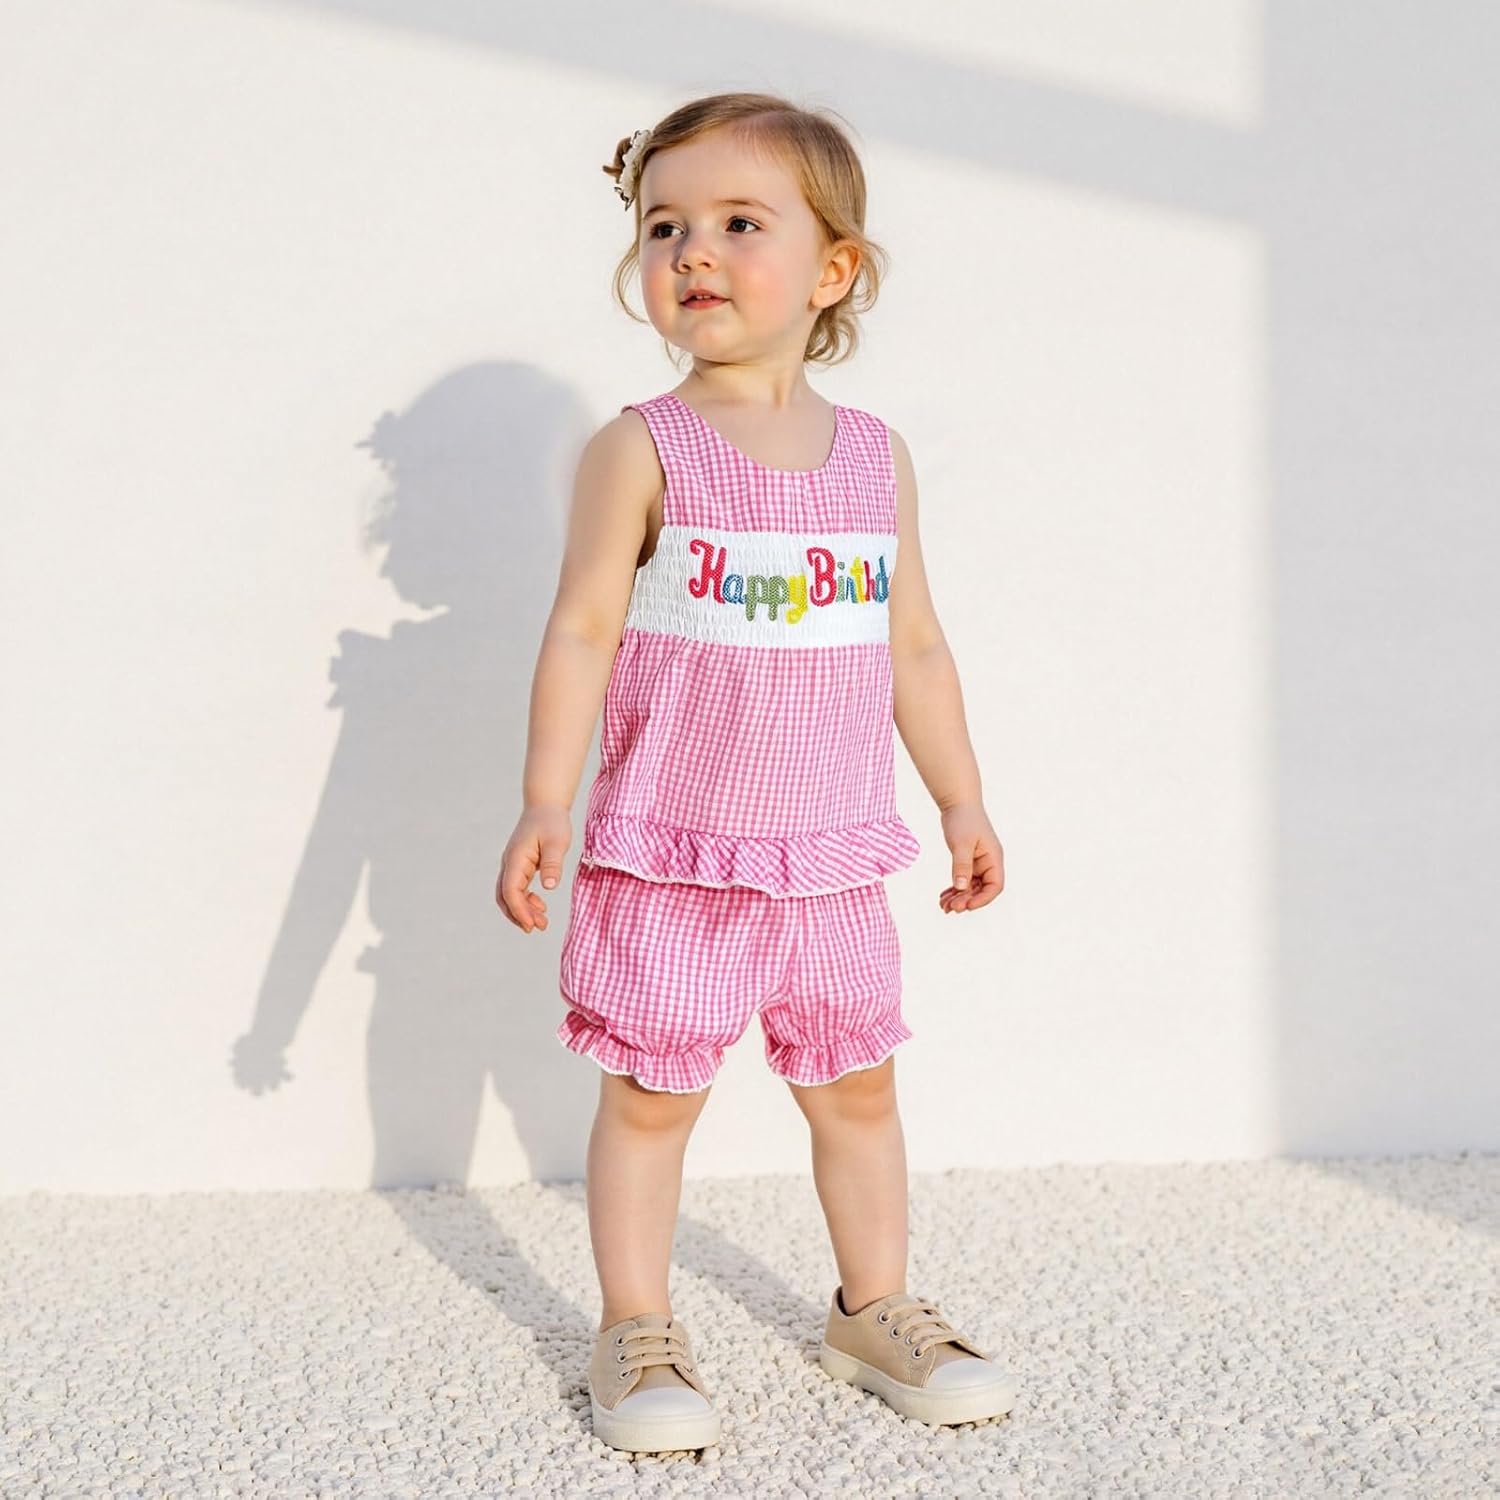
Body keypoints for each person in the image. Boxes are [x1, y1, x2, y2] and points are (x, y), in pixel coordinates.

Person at [495, 91, 1018, 1454]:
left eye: (739, 223)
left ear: (833, 269)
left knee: (857, 1086)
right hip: (670, 850)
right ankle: (635, 1326)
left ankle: (874, 1306)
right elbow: (581, 630)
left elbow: (913, 642)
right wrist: (547, 799)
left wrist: (959, 796)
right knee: (652, 1097)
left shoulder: (875, 460)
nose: (694, 252)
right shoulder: (639, 450)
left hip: (829, 855)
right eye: (664, 225)